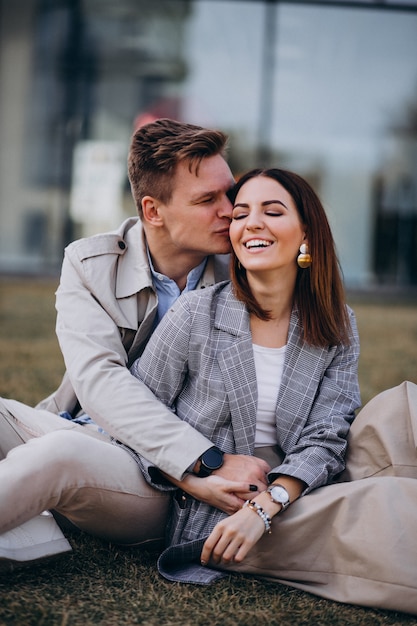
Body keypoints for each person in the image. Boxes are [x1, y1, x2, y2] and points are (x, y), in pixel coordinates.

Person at [130, 168, 417, 615]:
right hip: (226, 511)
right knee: (387, 504)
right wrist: (199, 481)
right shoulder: (196, 314)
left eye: (273, 211)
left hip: (297, 489)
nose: (252, 223)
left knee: (406, 406)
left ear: (307, 234)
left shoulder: (337, 322)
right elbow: (138, 417)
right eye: (241, 214)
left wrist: (272, 501)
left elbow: (329, 433)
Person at [0, 119, 270, 568]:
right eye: (208, 200)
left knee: (60, 455)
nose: (231, 211)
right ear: (153, 210)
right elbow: (98, 380)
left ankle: (36, 510)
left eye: (231, 193)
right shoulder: (90, 263)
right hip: (86, 430)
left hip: (162, 482)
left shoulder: (249, 279)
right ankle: (32, 528)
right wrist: (204, 461)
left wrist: (199, 465)